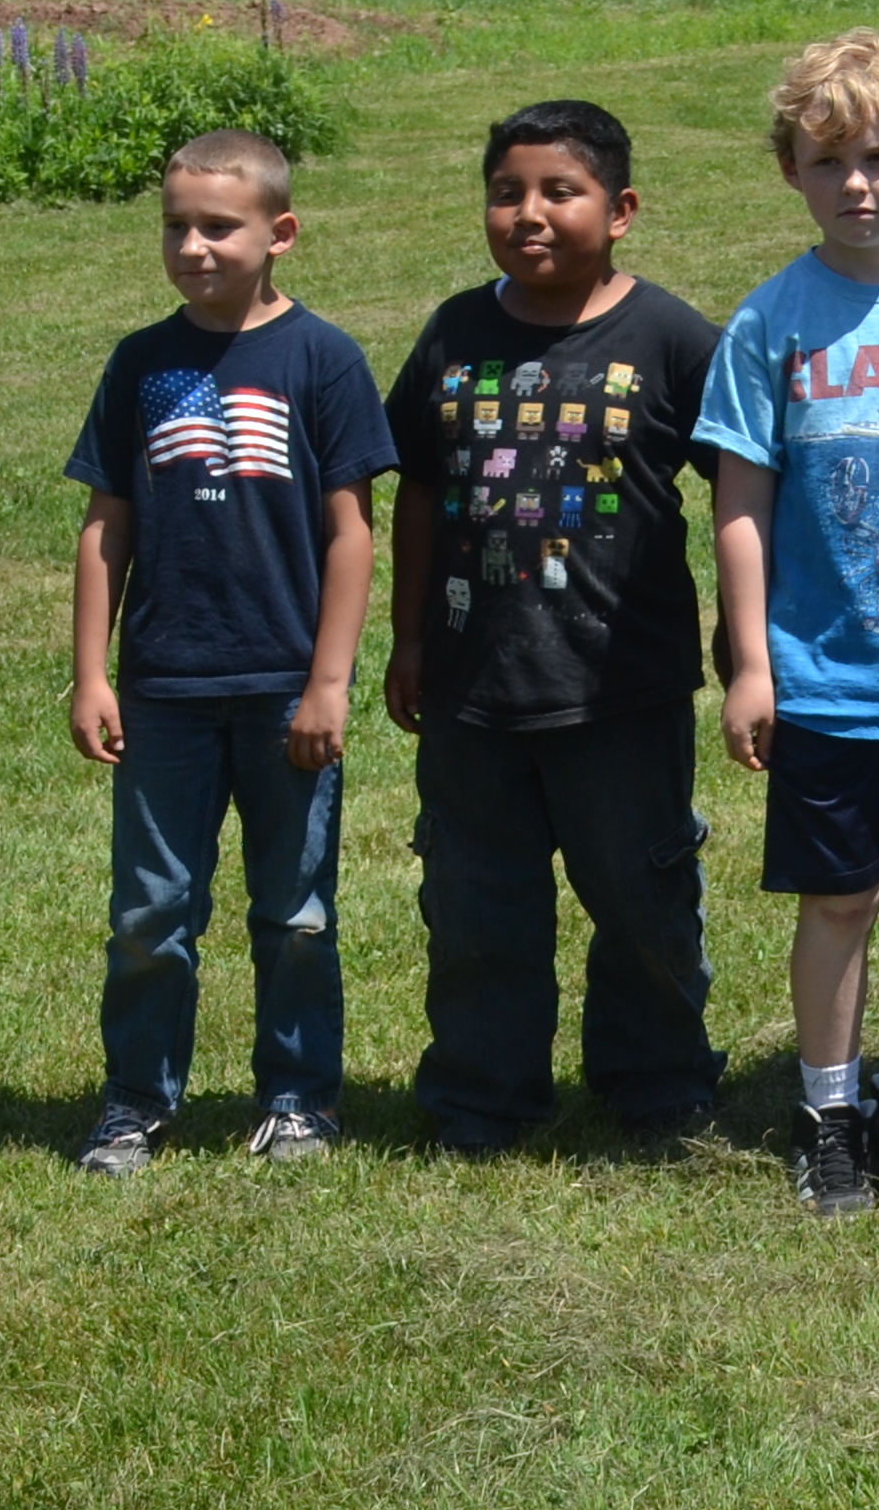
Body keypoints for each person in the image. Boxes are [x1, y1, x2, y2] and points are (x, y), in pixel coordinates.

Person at [382, 101, 729, 1153]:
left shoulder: (669, 337)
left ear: (620, 211)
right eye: (505, 192)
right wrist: (406, 641)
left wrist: (751, 636)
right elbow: (418, 490)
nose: (527, 213)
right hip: (472, 687)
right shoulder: (453, 331)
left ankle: (656, 1082)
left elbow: (744, 487)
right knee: (478, 909)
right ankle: (482, 1096)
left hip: (622, 686)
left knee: (641, 900)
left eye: (558, 192)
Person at [698, 31, 879, 1214]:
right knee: (837, 900)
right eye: (829, 164)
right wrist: (751, 663)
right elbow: (740, 504)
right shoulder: (772, 324)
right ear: (791, 173)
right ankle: (829, 1106)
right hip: (821, 676)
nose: (858, 186)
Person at [62, 129, 396, 1173]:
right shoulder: (140, 363)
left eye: (220, 226)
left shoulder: (322, 359)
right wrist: (91, 671)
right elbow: (105, 528)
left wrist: (328, 685)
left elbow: (351, 534)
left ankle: (301, 1100)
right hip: (165, 688)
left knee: (294, 912)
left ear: (279, 234)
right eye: (176, 226)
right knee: (149, 911)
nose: (194, 247)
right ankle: (133, 1105)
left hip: (284, 690)